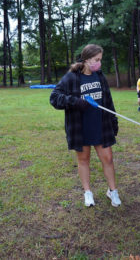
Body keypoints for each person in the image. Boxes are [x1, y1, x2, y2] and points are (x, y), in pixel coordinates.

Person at [50, 44, 121, 208]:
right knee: (83, 160)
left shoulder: (100, 76)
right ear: (87, 59)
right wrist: (76, 102)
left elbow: (108, 102)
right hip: (80, 128)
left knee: (108, 159)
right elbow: (54, 98)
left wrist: (113, 121)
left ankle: (112, 191)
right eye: (97, 60)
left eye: (100, 60)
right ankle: (87, 192)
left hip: (100, 126)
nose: (99, 63)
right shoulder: (71, 77)